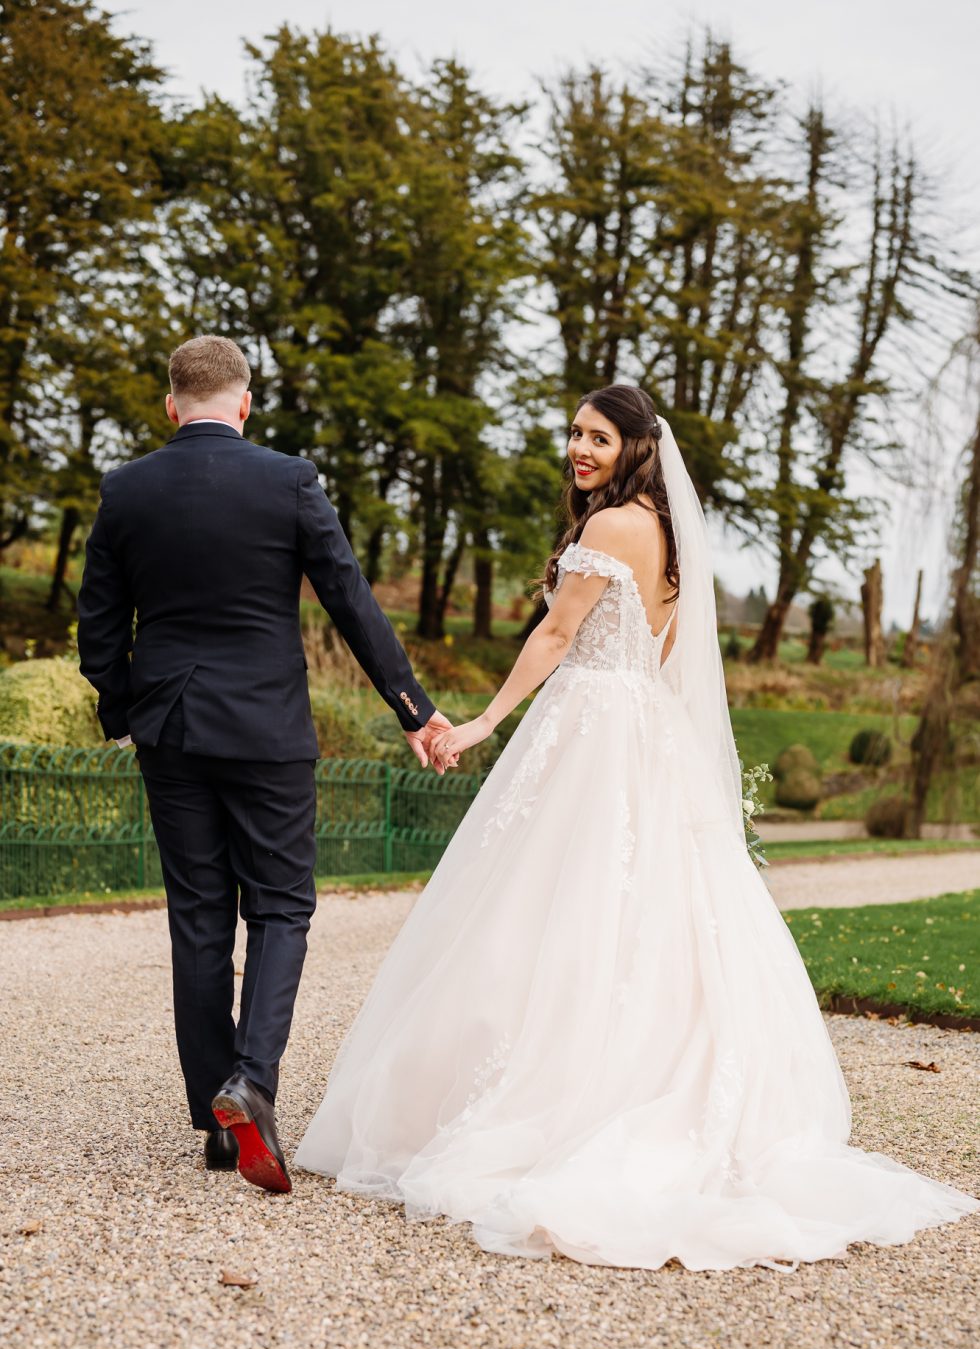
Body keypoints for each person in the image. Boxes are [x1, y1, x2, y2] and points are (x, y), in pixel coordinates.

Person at [296, 384, 979, 1270]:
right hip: (643, 729)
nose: (580, 449)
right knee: (636, 914)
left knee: (552, 908)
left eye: (598, 436)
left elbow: (553, 636)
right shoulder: (667, 533)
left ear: (635, 446)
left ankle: (558, 1098)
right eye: (575, 434)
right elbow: (661, 653)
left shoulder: (610, 527)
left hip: (592, 728)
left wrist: (478, 722)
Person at [77, 335, 451, 1194]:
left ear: (172, 405)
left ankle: (219, 1119)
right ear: (244, 403)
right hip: (269, 731)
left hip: (169, 729)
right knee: (281, 906)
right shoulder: (288, 481)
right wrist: (412, 709)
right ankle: (253, 1081)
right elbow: (351, 600)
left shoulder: (126, 489)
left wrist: (124, 713)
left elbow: (98, 627)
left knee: (199, 915)